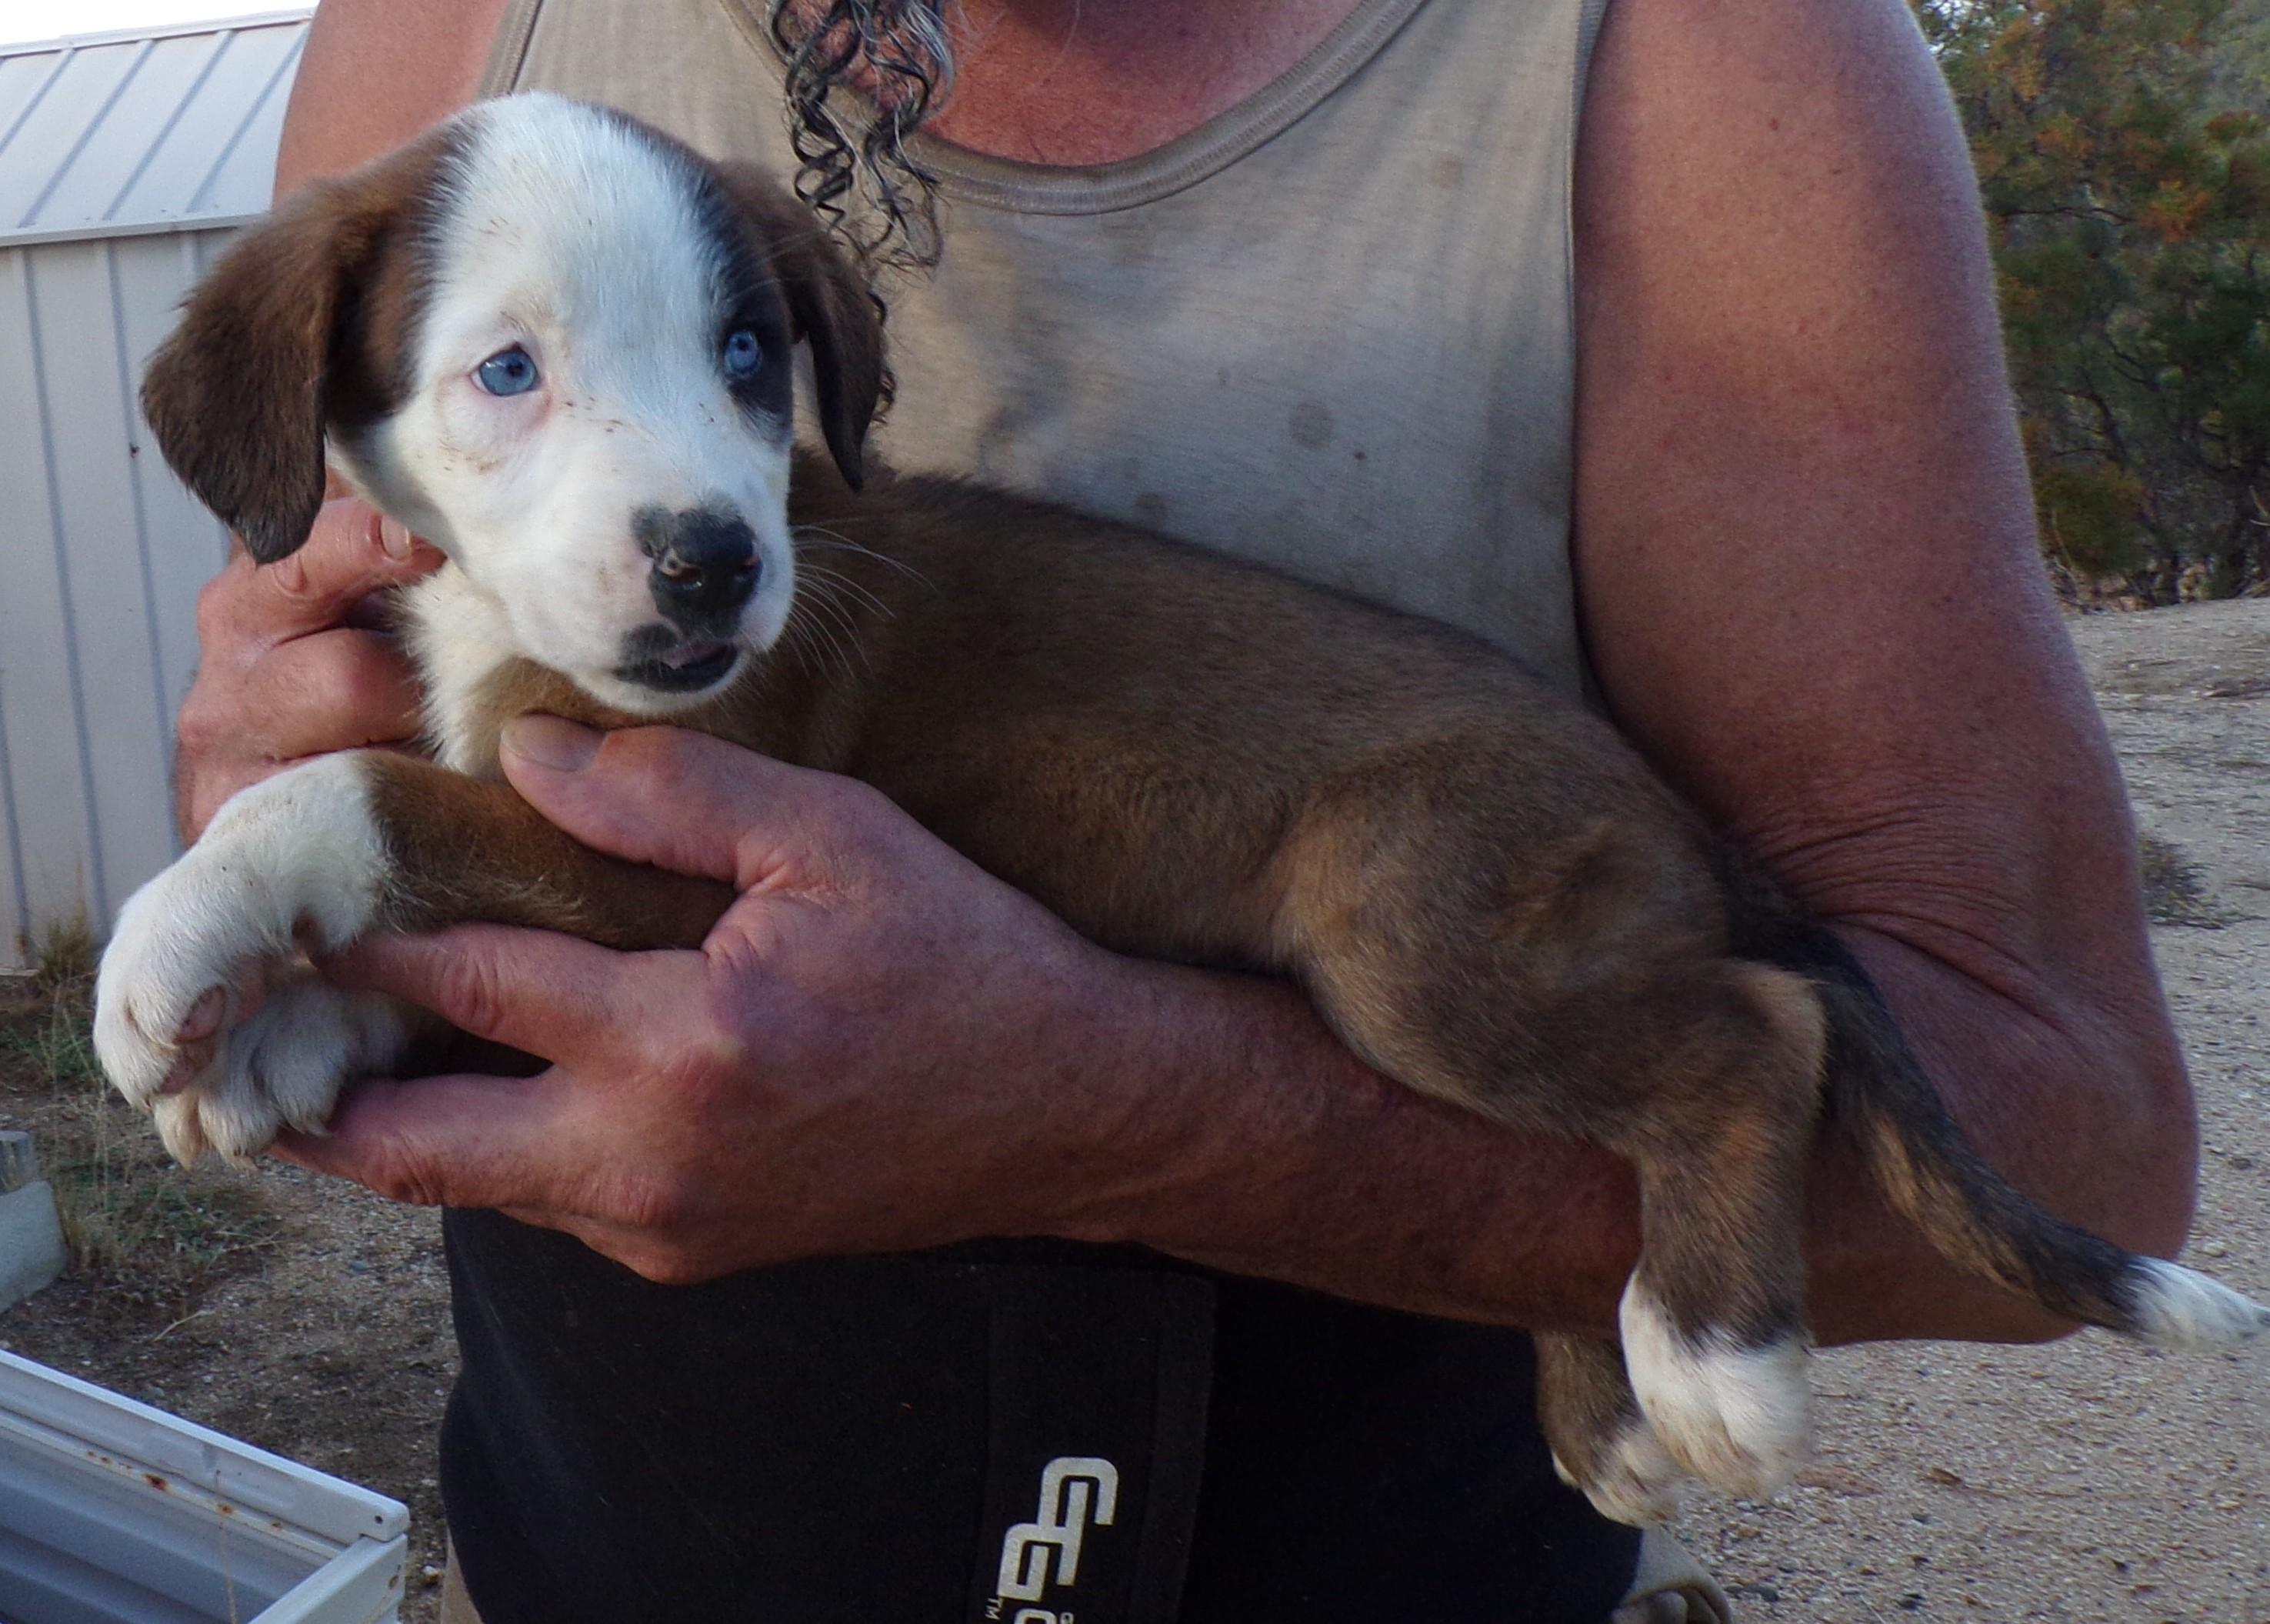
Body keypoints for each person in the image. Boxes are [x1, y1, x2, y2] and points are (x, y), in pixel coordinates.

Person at [172, 0, 2199, 1618]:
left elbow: (2076, 1122)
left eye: (737, 367)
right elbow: (313, 611)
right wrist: (282, 841)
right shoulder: (441, 43)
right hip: (591, 1546)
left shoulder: (1696, 60)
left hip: (1384, 1546)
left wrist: (1122, 1112)